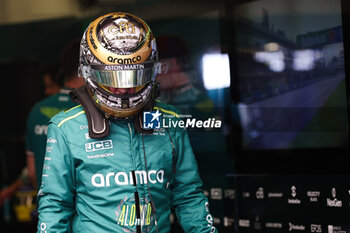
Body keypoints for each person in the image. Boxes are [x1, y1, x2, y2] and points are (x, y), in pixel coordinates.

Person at [37, 12, 217, 233]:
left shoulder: (169, 121)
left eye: (133, 77)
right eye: (112, 78)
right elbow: (55, 206)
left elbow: (188, 195)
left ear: (151, 72)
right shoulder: (66, 128)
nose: (123, 89)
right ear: (88, 72)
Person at [26, 38, 85, 189]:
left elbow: (32, 173)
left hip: (49, 207)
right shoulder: (91, 108)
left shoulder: (37, 110)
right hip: (85, 209)